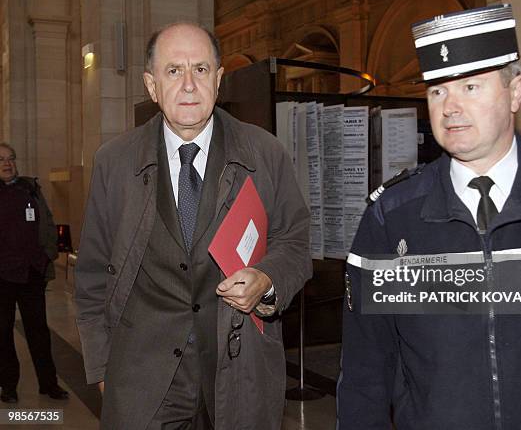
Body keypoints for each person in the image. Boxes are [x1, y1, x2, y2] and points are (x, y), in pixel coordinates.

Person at [337, 4, 521, 429]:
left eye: (470, 86)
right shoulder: (392, 219)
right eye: (437, 90)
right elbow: (365, 375)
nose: (450, 107)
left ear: (516, 92)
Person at [74, 22, 311, 429]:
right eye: (173, 70)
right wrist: (100, 370)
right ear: (151, 85)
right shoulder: (114, 163)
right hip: (142, 381)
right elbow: (93, 273)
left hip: (239, 370)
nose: (188, 84)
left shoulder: (264, 153)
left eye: (200, 70)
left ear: (219, 80)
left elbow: (295, 241)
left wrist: (267, 280)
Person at [0, 142, 69, 403]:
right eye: (1, 159)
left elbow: (47, 221)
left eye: (11, 158)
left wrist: (47, 252)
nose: (7, 163)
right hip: (2, 276)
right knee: (3, 333)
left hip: (31, 273)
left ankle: (48, 384)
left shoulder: (30, 188)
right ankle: (8, 385)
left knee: (38, 332)